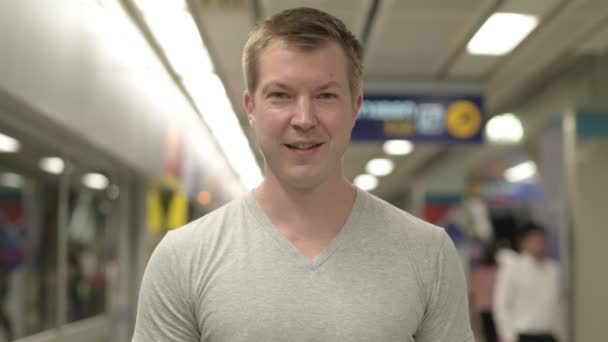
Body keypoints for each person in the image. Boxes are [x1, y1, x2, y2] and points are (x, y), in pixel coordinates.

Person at [132, 7, 474, 341]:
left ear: (355, 108)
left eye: (325, 95)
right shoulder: (182, 257)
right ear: (251, 108)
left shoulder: (428, 253)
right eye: (281, 95)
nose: (304, 119)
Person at [493, 223, 563, 342]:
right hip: (523, 334)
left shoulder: (553, 270)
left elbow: (557, 305)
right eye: (535, 240)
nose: (539, 245)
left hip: (549, 334)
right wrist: (508, 336)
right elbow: (501, 304)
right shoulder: (512, 268)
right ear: (523, 242)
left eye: (542, 241)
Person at [469, 245, 498, 342]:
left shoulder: (477, 271)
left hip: (482, 306)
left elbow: (473, 290)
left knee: (486, 331)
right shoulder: (497, 271)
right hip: (494, 305)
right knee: (494, 330)